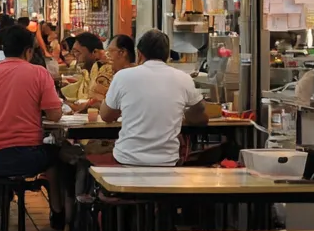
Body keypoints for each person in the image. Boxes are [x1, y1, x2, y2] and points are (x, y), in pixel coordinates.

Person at [0, 25, 62, 181]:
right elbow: (54, 115)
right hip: (28, 157)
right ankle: (56, 205)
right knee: (59, 158)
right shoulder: (39, 73)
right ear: (28, 51)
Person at [98, 29, 208, 166]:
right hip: (167, 161)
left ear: (139, 54)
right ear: (167, 55)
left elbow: (106, 115)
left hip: (127, 159)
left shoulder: (123, 76)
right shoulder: (183, 78)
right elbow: (201, 113)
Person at [63, 32, 110, 106]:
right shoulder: (87, 72)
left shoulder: (106, 70)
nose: (75, 56)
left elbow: (100, 101)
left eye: (77, 52)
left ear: (95, 52)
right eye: (73, 52)